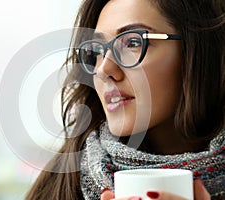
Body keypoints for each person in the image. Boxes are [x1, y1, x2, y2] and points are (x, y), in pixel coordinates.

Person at [25, 0, 224, 199]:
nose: (103, 69)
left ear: (201, 51)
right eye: (97, 51)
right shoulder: (58, 185)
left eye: (133, 43)